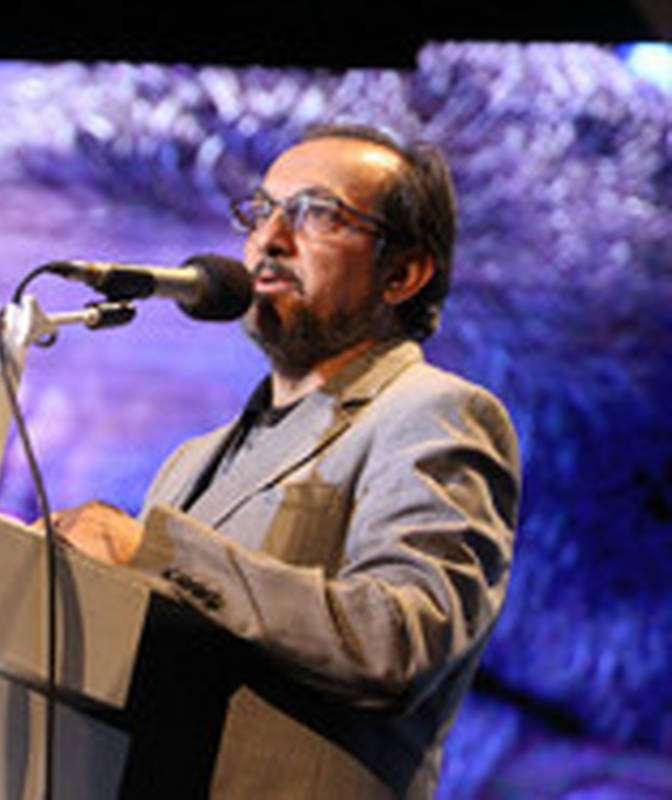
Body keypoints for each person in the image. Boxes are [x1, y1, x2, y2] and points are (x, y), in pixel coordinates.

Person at [50, 124, 521, 798]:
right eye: (262, 211)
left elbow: (400, 641)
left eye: (317, 213)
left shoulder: (434, 412)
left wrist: (154, 550)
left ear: (402, 274)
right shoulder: (191, 460)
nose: (270, 239)